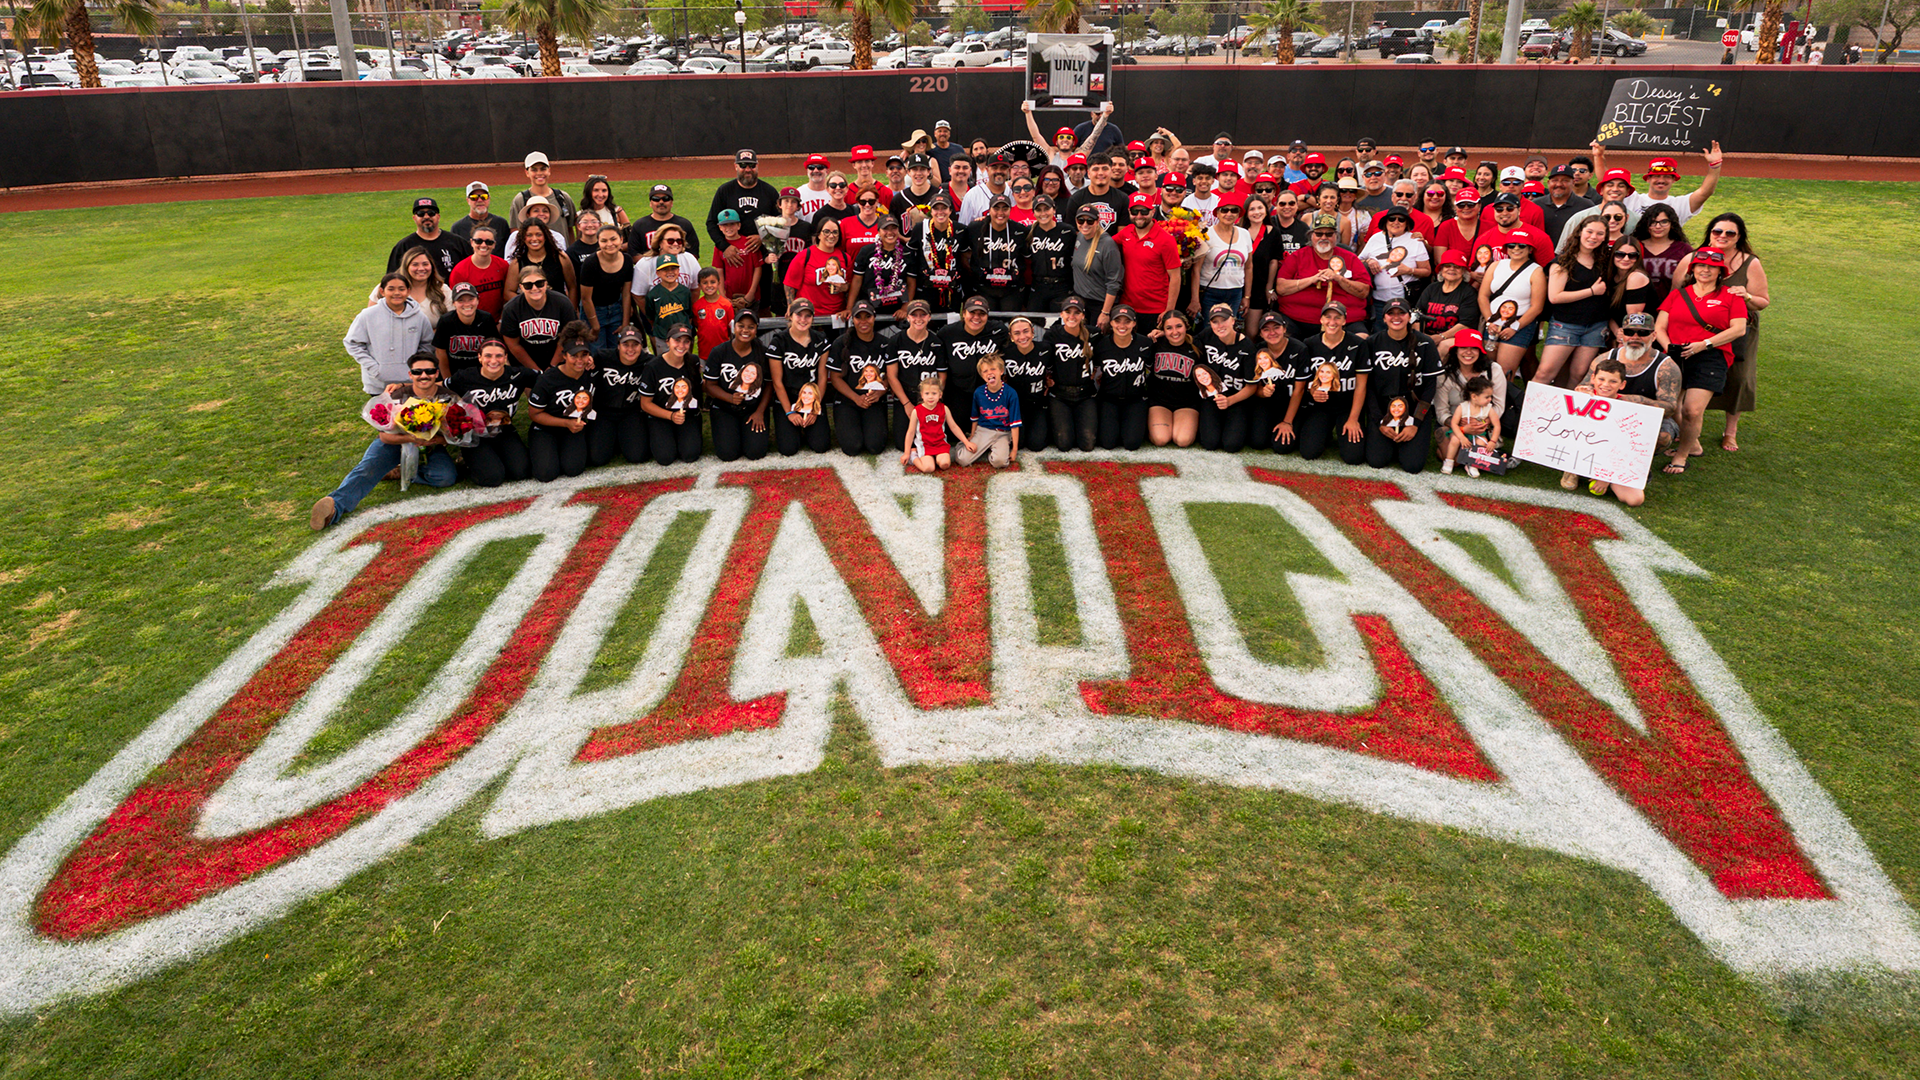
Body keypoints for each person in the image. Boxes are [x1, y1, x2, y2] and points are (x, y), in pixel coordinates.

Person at [309, 355, 458, 531]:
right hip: (394, 443)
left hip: (430, 447)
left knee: (445, 477)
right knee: (368, 468)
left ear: (436, 373)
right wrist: (410, 438)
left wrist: (438, 439)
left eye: (429, 371)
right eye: (418, 371)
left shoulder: (449, 397)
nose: (424, 375)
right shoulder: (397, 396)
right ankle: (334, 508)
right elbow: (385, 437)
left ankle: (400, 471)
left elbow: (456, 434)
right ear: (410, 374)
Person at [1678, 213, 1768, 453]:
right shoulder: (1692, 258)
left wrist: (1746, 296)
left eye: (1730, 233)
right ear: (1710, 233)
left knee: (1737, 378)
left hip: (1738, 330)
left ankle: (1730, 432)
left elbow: (1763, 301)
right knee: (1692, 377)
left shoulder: (1750, 262)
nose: (1723, 236)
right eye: (1718, 231)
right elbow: (1677, 291)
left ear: (1739, 237)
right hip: (1695, 328)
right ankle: (1689, 431)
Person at [1655, 247, 1749, 475]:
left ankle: (1681, 455)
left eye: (1712, 267)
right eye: (1701, 266)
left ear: (1720, 272)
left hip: (1710, 355)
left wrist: (1704, 344)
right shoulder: (1678, 294)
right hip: (1676, 354)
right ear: (1693, 269)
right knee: (1672, 406)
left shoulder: (1730, 296)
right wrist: (1670, 349)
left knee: (1692, 411)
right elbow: (1660, 327)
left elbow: (1739, 329)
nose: (1705, 270)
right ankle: (1693, 444)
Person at [1362, 299, 1443, 473]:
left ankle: (1405, 444)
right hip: (1384, 407)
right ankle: (1389, 442)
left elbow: (1430, 387)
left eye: (1401, 313)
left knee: (1412, 466)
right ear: (1384, 318)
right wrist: (1380, 421)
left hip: (1413, 407)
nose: (1396, 317)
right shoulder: (1372, 342)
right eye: (1391, 313)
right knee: (1377, 460)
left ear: (1409, 317)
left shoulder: (1425, 343)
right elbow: (1368, 387)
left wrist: (1415, 423)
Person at [1285, 301, 1370, 465]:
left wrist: (1353, 418)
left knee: (1353, 457)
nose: (1332, 322)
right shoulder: (1309, 344)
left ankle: (1343, 426)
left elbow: (1361, 386)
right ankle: (1324, 432)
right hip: (1320, 406)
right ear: (1321, 320)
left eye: (1337, 318)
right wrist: (1313, 390)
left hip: (1347, 405)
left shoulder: (1358, 344)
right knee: (1309, 452)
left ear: (1344, 320)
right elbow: (1305, 381)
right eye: (1328, 317)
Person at [448, 339, 536, 487]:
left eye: (499, 356)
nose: (493, 361)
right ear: (479, 357)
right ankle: (468, 458)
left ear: (505, 357)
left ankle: (497, 456)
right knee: (492, 478)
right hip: (475, 434)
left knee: (521, 472)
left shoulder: (517, 374)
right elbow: (439, 388)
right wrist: (407, 387)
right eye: (488, 356)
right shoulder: (465, 376)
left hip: (504, 430)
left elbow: (549, 379)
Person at [1561, 359, 1647, 506]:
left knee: (1635, 499)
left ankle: (1597, 474)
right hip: (1579, 453)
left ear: (1622, 385)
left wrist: (1607, 476)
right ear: (1593, 379)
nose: (1606, 385)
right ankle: (1572, 470)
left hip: (1609, 460)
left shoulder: (1628, 408)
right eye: (1601, 379)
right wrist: (1580, 399)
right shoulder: (1581, 396)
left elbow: (1630, 447)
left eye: (1613, 381)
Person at [1539, 218, 1613, 388]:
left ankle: (1565, 405)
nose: (1593, 237)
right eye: (1589, 232)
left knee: (1579, 374)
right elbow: (1555, 296)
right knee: (1545, 372)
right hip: (1565, 325)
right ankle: (1528, 405)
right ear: (1580, 232)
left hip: (1595, 326)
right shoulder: (1563, 261)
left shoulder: (1605, 261)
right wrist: (1591, 291)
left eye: (1599, 233)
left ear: (1605, 237)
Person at [1273, 212, 1370, 338]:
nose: (1323, 238)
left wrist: (1338, 278)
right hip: (1298, 319)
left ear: (1336, 237)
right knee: (1281, 338)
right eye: (1318, 234)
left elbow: (1363, 291)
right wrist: (1312, 279)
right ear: (1311, 236)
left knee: (1362, 338)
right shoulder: (1298, 256)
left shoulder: (1350, 257)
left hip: (1344, 320)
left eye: (1329, 234)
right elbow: (1281, 288)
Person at [1590, 141, 1723, 226]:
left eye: (1667, 177)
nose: (1661, 180)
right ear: (1648, 179)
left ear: (1674, 180)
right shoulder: (1632, 199)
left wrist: (1715, 166)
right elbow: (1608, 182)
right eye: (1656, 176)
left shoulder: (1680, 204)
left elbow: (1705, 192)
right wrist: (1599, 156)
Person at [347, 272, 436, 394]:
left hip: (410, 383)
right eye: (391, 289)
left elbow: (427, 344)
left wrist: (416, 367)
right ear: (382, 292)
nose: (397, 293)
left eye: (401, 289)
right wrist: (374, 368)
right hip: (378, 384)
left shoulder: (419, 317)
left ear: (408, 291)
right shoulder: (367, 315)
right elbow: (353, 343)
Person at [824, 300, 892, 456]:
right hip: (848, 400)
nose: (863, 321)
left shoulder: (885, 343)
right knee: (852, 447)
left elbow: (891, 375)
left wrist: (880, 392)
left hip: (873, 400)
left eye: (867, 317)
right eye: (858, 317)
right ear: (852, 319)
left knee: (875, 446)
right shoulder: (841, 343)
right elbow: (835, 378)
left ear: (874, 318)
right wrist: (856, 398)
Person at [526, 332, 595, 482]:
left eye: (584, 355)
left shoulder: (592, 371)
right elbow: (534, 414)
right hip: (546, 428)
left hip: (573, 428)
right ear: (564, 356)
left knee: (573, 469)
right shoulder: (547, 379)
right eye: (574, 356)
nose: (579, 360)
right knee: (546, 473)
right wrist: (565, 423)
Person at [704, 310, 772, 462]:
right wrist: (730, 398)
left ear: (756, 329)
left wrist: (760, 411)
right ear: (733, 327)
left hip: (752, 408)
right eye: (741, 326)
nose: (745, 330)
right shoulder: (719, 352)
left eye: (751, 327)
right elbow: (709, 385)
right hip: (724, 408)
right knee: (727, 454)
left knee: (755, 452)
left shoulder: (762, 353)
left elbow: (769, 385)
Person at [1477, 229, 1546, 376]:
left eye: (1522, 245)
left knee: (1505, 371)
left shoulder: (1536, 271)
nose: (1516, 248)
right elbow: (1483, 296)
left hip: (1519, 323)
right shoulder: (1495, 265)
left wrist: (1515, 327)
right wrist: (1490, 321)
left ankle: (1506, 393)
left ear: (1530, 249)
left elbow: (1537, 307)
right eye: (1511, 245)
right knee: (1487, 368)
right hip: (1493, 323)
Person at [586, 321, 653, 467]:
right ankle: (613, 438)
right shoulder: (602, 357)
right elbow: (584, 366)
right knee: (597, 458)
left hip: (632, 412)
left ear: (641, 346)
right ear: (618, 346)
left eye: (635, 345)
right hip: (604, 412)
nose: (630, 349)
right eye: (625, 345)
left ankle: (621, 437)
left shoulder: (649, 362)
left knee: (637, 456)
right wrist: (588, 360)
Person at [1193, 303, 1258, 452]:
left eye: (1224, 320)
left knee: (1231, 445)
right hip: (1212, 397)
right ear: (1210, 324)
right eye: (1215, 321)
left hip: (1237, 399)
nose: (1220, 325)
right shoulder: (1207, 335)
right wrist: (1163, 333)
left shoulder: (1247, 347)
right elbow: (1186, 340)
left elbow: (1251, 386)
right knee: (1209, 443)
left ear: (1233, 320)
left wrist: (1229, 401)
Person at [637, 326, 704, 466]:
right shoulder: (653, 367)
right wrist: (671, 416)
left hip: (687, 415)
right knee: (665, 457)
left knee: (690, 454)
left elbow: (699, 390)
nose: (681, 345)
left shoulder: (693, 361)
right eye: (677, 340)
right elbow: (645, 404)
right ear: (667, 342)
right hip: (661, 416)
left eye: (686, 341)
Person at [1356, 207, 1430, 326]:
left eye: (1401, 219)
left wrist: (1409, 270)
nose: (1396, 222)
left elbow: (1427, 271)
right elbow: (1358, 262)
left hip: (1405, 300)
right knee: (1380, 331)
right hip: (1379, 299)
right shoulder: (1375, 238)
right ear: (1386, 222)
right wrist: (1369, 261)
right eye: (1392, 219)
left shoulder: (1415, 241)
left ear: (1406, 224)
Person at [1041, 298, 1098, 451]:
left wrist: (1096, 369)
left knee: (1087, 444)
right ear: (1061, 314)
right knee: (1064, 444)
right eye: (1068, 312)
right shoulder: (1052, 334)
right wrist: (1047, 378)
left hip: (1086, 394)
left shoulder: (1094, 334)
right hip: (1059, 395)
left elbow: (1106, 351)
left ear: (1083, 315)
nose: (1072, 316)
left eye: (1076, 313)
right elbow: (1045, 360)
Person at [1115, 194, 1182, 324]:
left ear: (1153, 211)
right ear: (1129, 212)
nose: (1139, 216)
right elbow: (1106, 245)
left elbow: (1175, 276)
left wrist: (1169, 310)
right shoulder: (1126, 232)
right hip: (1127, 307)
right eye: (1135, 211)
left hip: (1156, 309)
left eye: (1144, 211)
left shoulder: (1166, 240)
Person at [1093, 305, 1151, 450]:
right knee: (1108, 443)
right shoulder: (1101, 345)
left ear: (1134, 323)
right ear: (1111, 322)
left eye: (1127, 321)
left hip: (1135, 399)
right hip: (1109, 399)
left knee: (1132, 444)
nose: (1122, 326)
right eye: (1117, 321)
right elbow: (1094, 371)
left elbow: (1151, 369)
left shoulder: (1145, 343)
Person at [498, 269, 577, 371]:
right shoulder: (511, 308)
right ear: (521, 287)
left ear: (546, 283)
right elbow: (513, 344)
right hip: (524, 363)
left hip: (558, 360)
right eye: (528, 285)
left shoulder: (562, 303)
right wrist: (535, 370)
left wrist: (552, 366)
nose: (534, 288)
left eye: (539, 283)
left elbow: (568, 337)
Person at [1249, 313, 1305, 454]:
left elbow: (1299, 390)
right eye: (1266, 329)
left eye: (1276, 327)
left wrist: (1287, 422)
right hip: (1266, 403)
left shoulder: (1299, 349)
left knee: (1282, 446)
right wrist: (1262, 392)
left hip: (1291, 403)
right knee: (1258, 442)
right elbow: (1254, 387)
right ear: (1261, 333)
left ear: (1284, 329)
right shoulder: (1257, 350)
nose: (1272, 332)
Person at [939, 296, 1001, 421]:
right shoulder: (947, 333)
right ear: (963, 313)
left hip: (989, 390)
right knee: (956, 428)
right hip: (958, 391)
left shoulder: (998, 331)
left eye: (982, 313)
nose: (976, 317)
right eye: (972, 312)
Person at [953, 354, 1020, 468]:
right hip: (983, 430)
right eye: (985, 371)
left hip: (1003, 433)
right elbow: (975, 417)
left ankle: (992, 449)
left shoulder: (1011, 393)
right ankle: (967, 445)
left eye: (993, 369)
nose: (989, 373)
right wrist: (972, 436)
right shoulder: (979, 392)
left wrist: (1014, 449)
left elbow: (1015, 424)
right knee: (962, 460)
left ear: (1001, 371)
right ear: (982, 375)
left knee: (1000, 462)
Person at [1413, 250, 1479, 362]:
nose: (1452, 269)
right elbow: (1417, 314)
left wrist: (1441, 337)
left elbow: (1466, 324)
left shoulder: (1469, 293)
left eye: (1457, 267)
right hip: (1427, 335)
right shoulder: (1432, 288)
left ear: (1463, 271)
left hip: (1454, 338)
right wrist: (1422, 336)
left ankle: (1436, 372)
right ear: (1441, 269)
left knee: (1443, 345)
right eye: (1447, 266)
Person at [1190, 201, 1253, 318]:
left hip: (1236, 291)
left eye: (1234, 210)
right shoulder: (1206, 234)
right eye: (1224, 210)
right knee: (1209, 326)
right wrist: (1195, 299)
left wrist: (1247, 296)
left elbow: (1248, 267)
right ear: (1217, 213)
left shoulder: (1245, 234)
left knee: (1230, 326)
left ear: (1238, 214)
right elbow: (1196, 269)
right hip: (1210, 291)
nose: (1229, 214)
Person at [576, 223, 633, 352]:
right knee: (597, 352)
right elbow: (585, 298)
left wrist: (625, 323)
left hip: (616, 309)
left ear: (621, 239)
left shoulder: (627, 260)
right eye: (604, 241)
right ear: (598, 242)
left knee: (617, 351)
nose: (609, 244)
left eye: (613, 239)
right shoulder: (590, 263)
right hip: (594, 311)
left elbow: (626, 293)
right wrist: (595, 326)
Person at [783, 217, 851, 322]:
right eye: (826, 232)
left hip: (837, 317)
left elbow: (851, 284)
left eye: (835, 232)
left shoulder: (845, 258)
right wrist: (791, 305)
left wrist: (844, 288)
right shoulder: (805, 255)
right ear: (818, 234)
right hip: (809, 315)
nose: (831, 236)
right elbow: (789, 284)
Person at [708, 149, 775, 252]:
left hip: (763, 253)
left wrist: (763, 237)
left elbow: (780, 221)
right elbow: (711, 222)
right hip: (733, 254)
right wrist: (725, 247)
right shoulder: (725, 191)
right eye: (743, 165)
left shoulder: (769, 192)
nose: (747, 170)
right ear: (736, 166)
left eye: (751, 165)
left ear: (757, 166)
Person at [909, 196, 965, 317]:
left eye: (944, 208)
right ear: (931, 211)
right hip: (926, 289)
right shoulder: (921, 228)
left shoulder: (960, 229)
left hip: (951, 290)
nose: (940, 212)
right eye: (936, 208)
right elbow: (912, 256)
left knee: (951, 323)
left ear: (950, 211)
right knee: (927, 322)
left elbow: (965, 257)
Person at [387, 197, 472, 277]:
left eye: (431, 213)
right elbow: (393, 278)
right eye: (421, 214)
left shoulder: (458, 243)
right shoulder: (404, 246)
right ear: (414, 218)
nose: (426, 217)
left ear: (438, 216)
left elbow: (473, 270)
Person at [902, 375, 970, 474]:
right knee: (928, 468)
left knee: (945, 464)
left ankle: (935, 458)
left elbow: (954, 427)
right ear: (922, 395)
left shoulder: (944, 408)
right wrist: (906, 453)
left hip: (940, 443)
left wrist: (966, 442)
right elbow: (910, 432)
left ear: (940, 395)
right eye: (927, 393)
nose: (930, 396)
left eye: (934, 393)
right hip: (925, 445)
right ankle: (914, 456)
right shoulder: (916, 411)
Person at [1632, 203, 1693, 308]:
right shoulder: (1635, 247)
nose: (1658, 226)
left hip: (1672, 307)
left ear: (1672, 224)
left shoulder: (1684, 250)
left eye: (1664, 222)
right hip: (1637, 308)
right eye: (1653, 222)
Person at [432, 283, 499, 377]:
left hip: (481, 372)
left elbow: (494, 347)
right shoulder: (446, 321)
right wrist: (448, 379)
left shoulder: (486, 319)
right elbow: (440, 352)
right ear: (453, 303)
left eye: (471, 299)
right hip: (455, 372)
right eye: (461, 300)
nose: (467, 304)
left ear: (478, 300)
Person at [503, 217, 576, 303]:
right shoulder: (517, 263)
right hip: (530, 309)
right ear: (523, 238)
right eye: (529, 235)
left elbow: (572, 287)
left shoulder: (561, 258)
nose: (534, 239)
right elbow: (508, 292)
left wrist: (571, 308)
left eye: (538, 235)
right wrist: (528, 304)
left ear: (545, 236)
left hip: (558, 307)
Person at [375, 246, 454, 324]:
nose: (421, 268)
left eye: (425, 264)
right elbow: (371, 318)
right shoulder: (387, 287)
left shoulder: (443, 290)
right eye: (415, 265)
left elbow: (452, 322)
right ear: (406, 267)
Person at [1024, 99, 1112, 168]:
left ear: (1073, 142)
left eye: (1069, 137)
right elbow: (1035, 135)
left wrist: (1105, 115)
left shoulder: (1078, 155)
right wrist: (1028, 113)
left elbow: (1094, 135)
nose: (1065, 140)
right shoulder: (1050, 154)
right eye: (1061, 137)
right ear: (1056, 142)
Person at [1439, 375, 1499, 477]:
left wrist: (1493, 441)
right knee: (1455, 440)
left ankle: (1472, 464)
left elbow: (1497, 425)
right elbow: (1454, 423)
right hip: (1461, 432)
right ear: (1474, 397)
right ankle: (1449, 461)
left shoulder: (1488, 408)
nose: (1490, 399)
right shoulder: (1462, 407)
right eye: (1487, 397)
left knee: (1481, 442)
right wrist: (1462, 437)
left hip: (1478, 434)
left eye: (1491, 397)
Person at [508, 152, 578, 238]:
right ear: (527, 173)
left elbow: (570, 229)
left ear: (549, 171)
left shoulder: (562, 197)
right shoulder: (520, 200)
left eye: (543, 169)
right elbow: (515, 232)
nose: (539, 173)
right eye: (534, 170)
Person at [448, 223, 510, 318]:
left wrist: (502, 319)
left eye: (489, 242)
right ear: (472, 242)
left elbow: (507, 295)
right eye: (478, 241)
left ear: (494, 245)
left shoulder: (503, 266)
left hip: (499, 320)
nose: (483, 245)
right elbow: (456, 302)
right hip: (472, 320)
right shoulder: (460, 271)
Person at [630, 183, 700, 258]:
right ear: (651, 203)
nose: (661, 202)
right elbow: (633, 254)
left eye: (666, 198)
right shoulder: (639, 225)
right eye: (656, 199)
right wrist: (653, 263)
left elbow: (693, 254)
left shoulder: (684, 224)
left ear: (671, 203)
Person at [1606, 239, 1655, 342]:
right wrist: (1617, 332)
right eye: (1620, 254)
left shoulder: (1636, 277)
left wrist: (1622, 337)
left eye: (1632, 255)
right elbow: (1608, 313)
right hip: (1621, 334)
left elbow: (1633, 319)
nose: (1626, 259)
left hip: (1638, 337)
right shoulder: (1611, 277)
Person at [640, 258, 693, 352]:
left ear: (678, 271)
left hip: (682, 337)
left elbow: (689, 315)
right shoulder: (653, 294)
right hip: (662, 337)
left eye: (673, 268)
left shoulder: (685, 292)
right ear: (658, 273)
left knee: (684, 359)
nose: (670, 272)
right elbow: (651, 317)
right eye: (665, 269)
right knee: (663, 360)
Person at [1066, 156, 1127, 234]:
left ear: (1111, 172)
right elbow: (1073, 232)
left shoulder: (1122, 198)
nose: (1100, 173)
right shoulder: (1076, 199)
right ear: (1088, 173)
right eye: (1095, 169)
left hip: (1113, 241)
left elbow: (1122, 234)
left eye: (1105, 169)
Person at [449, 181, 510, 247]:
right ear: (468, 200)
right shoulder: (458, 228)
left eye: (484, 197)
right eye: (474, 197)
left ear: (489, 198)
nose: (480, 200)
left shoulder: (501, 224)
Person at [578, 174, 630, 238]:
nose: (600, 195)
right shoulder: (580, 215)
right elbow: (579, 239)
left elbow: (629, 238)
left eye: (604, 190)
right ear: (589, 192)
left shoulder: (617, 211)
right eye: (596, 190)